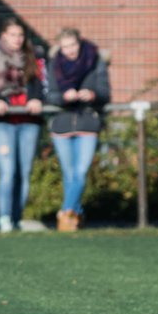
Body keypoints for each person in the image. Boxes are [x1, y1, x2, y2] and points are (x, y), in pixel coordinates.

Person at [0, 18, 46, 233]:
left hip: (29, 122)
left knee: (24, 172)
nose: (17, 39)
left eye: (20, 35)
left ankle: (18, 218)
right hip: (3, 122)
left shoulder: (34, 57)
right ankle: (4, 219)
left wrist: (37, 99)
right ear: (3, 36)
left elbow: (42, 84)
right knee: (7, 171)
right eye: (12, 35)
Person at [46, 28, 110, 232]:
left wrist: (92, 95)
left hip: (87, 122)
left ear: (79, 43)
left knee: (80, 172)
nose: (70, 51)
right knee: (69, 173)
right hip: (62, 123)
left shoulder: (95, 60)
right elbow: (50, 95)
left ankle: (65, 212)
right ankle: (76, 216)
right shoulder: (54, 64)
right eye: (65, 47)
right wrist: (64, 97)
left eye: (73, 45)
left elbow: (105, 92)